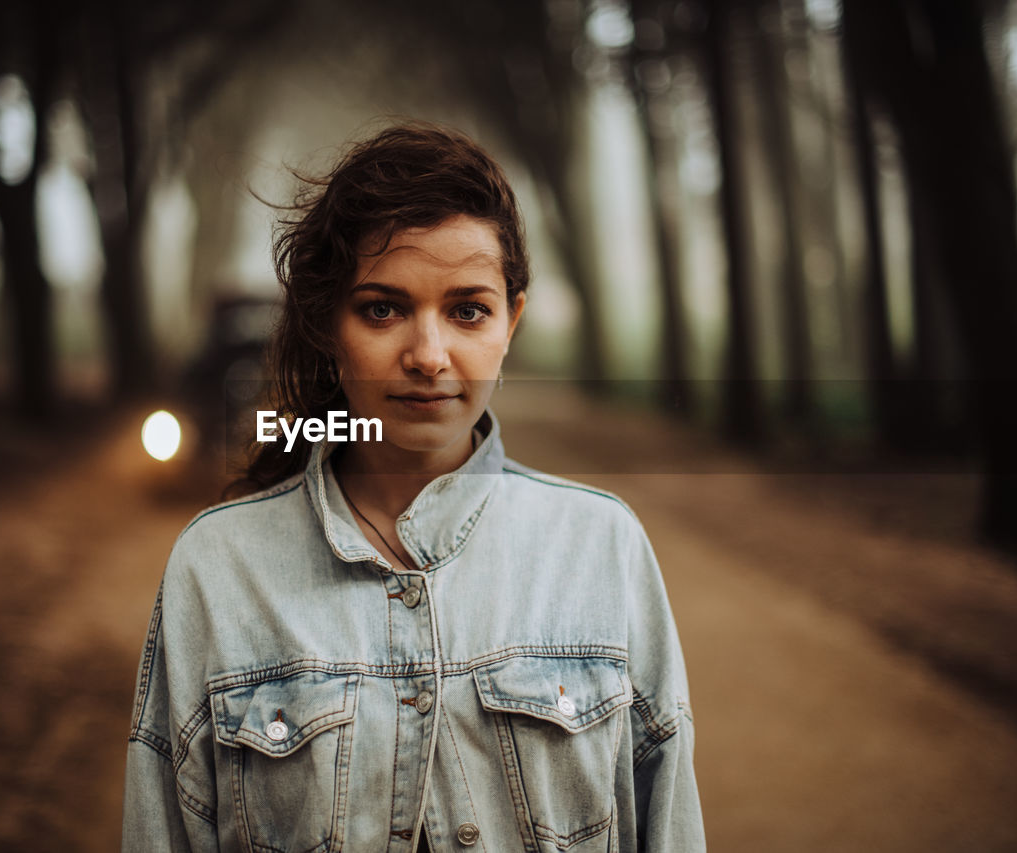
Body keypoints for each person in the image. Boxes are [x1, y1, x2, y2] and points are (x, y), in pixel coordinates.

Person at [121, 123, 705, 852]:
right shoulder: (218, 566)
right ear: (328, 328)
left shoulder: (602, 546)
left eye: (467, 310)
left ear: (511, 321)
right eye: (382, 308)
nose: (429, 356)